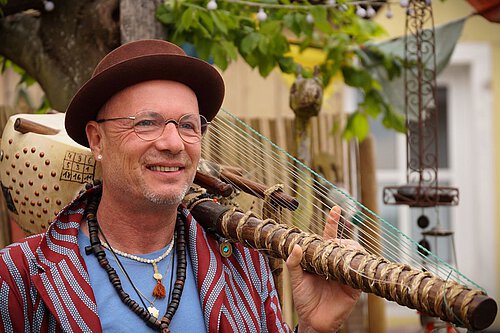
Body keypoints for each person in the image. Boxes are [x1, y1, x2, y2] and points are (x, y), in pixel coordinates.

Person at [0, 39, 360, 332]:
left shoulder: (244, 266)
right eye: (146, 123)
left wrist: (314, 328)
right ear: (97, 140)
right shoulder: (19, 277)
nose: (174, 143)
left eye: (188, 125)